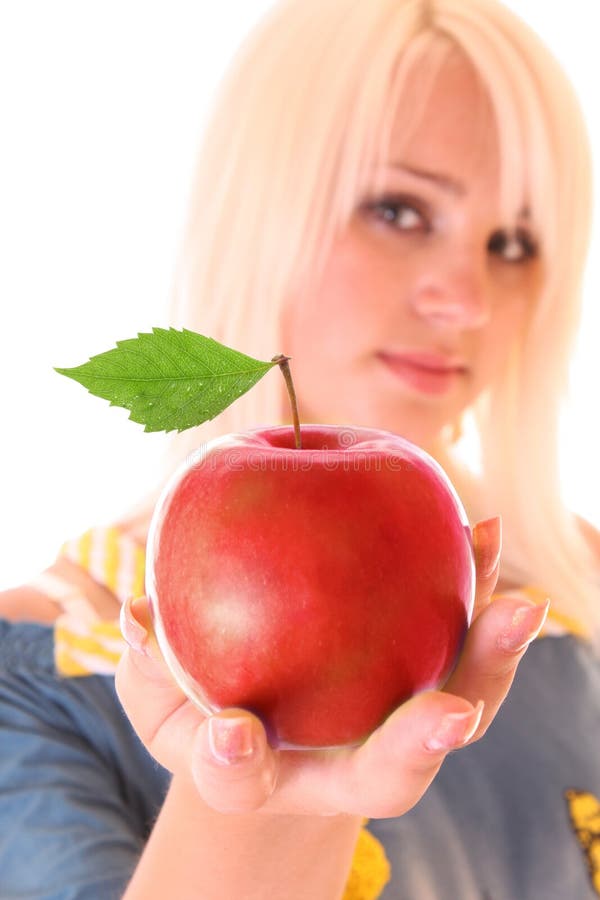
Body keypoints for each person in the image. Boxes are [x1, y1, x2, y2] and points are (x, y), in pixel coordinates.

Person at [1, 0, 599, 897]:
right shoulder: (53, 672)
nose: (468, 300)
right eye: (398, 209)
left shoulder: (576, 606)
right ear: (254, 211)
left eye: (512, 241)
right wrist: (265, 808)